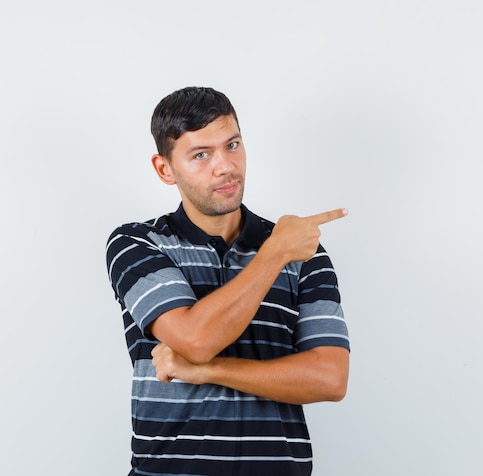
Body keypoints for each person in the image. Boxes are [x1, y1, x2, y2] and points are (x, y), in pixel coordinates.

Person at [105, 86, 350, 476]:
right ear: (164, 168)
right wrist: (274, 254)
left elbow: (329, 378)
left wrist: (208, 372)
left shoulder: (303, 252)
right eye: (201, 155)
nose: (225, 166)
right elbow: (196, 340)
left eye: (232, 145)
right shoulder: (137, 242)